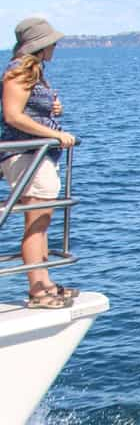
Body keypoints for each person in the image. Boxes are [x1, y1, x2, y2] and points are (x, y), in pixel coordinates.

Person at [1, 17, 78, 309]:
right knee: (36, 224)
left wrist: (52, 108)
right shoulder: (18, 72)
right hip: (27, 156)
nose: (55, 47)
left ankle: (44, 282)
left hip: (38, 155)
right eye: (52, 42)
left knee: (41, 223)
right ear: (40, 45)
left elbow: (29, 109)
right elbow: (13, 116)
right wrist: (56, 135)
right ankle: (37, 290)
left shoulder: (34, 72)